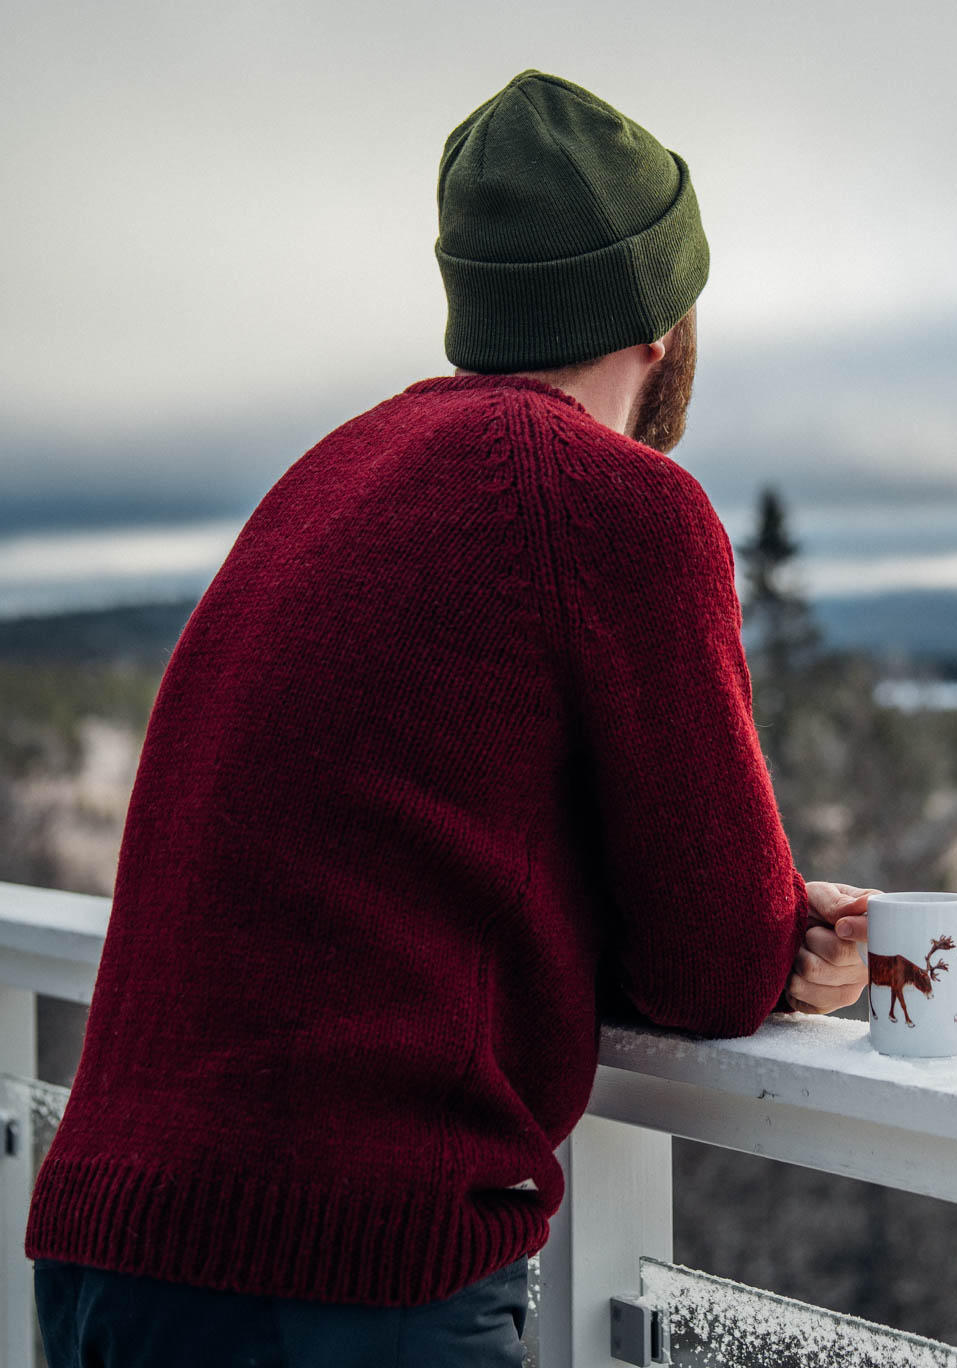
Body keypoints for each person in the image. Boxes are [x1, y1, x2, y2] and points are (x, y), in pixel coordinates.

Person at [25, 68, 872, 1368]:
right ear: (662, 319)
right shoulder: (622, 506)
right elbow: (707, 965)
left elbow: (410, 850)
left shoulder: (330, 474)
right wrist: (792, 946)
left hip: (109, 1242)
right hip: (344, 1277)